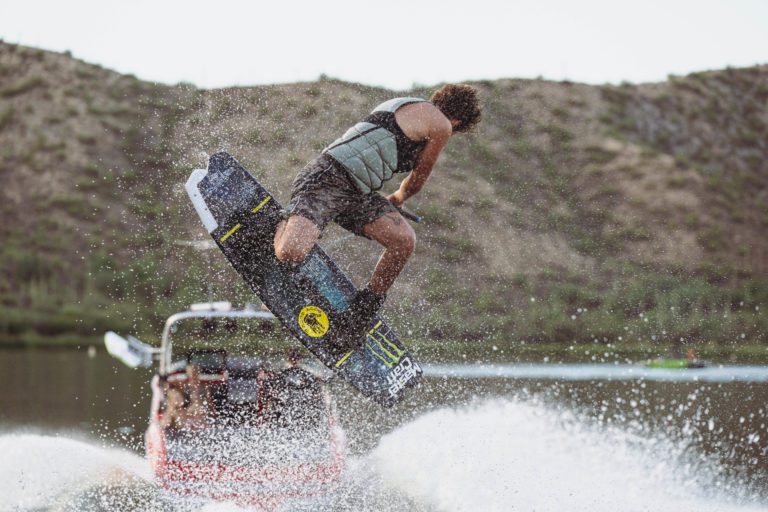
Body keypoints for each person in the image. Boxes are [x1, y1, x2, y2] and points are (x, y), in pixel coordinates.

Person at [273, 84, 482, 348]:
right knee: (291, 252)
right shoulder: (441, 124)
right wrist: (397, 199)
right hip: (327, 179)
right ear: (459, 120)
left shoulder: (405, 104)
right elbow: (418, 178)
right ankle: (283, 222)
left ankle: (359, 315)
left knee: (403, 241)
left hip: (359, 192)